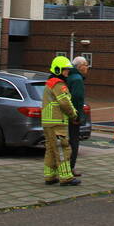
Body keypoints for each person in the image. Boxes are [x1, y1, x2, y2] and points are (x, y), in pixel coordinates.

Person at [42, 56, 81, 186]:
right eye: (65, 70)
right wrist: (74, 115)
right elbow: (65, 102)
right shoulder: (58, 84)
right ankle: (66, 177)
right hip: (57, 121)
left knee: (51, 149)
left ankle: (50, 176)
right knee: (63, 148)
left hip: (48, 122)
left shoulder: (49, 82)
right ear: (58, 70)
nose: (67, 72)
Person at [66, 56, 88, 176]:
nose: (87, 67)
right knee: (74, 142)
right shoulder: (77, 79)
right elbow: (77, 99)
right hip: (73, 117)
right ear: (80, 66)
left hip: (66, 116)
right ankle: (71, 167)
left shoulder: (70, 76)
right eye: (86, 65)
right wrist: (77, 116)